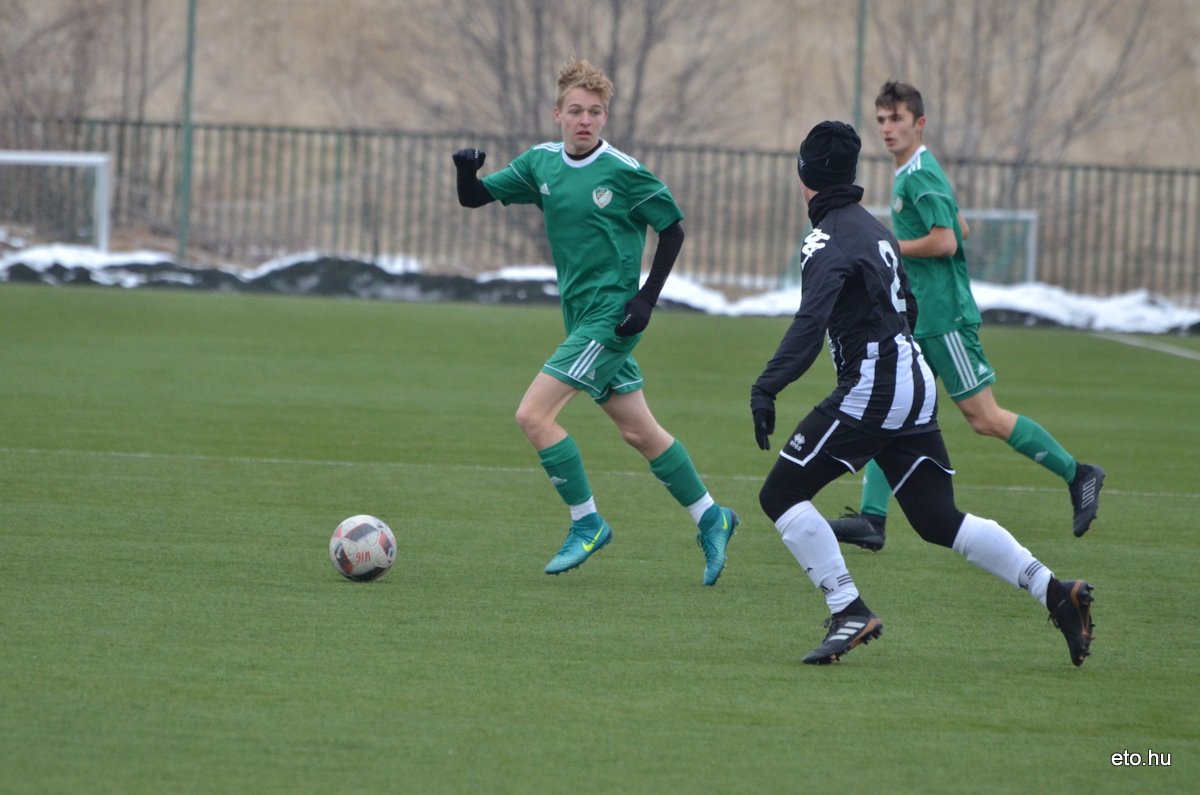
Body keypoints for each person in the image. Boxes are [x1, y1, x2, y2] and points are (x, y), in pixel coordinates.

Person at [750, 120, 1095, 666]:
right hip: (912, 377)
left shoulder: (824, 239)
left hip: (876, 385)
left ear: (804, 175)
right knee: (938, 519)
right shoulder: (876, 229)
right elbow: (908, 304)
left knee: (780, 495)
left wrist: (767, 386)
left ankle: (848, 609)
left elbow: (810, 322)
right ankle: (1054, 591)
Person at [451, 57, 738, 583]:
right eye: (576, 110)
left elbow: (672, 229)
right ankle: (711, 516)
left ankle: (587, 523)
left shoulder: (623, 172)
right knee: (638, 431)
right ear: (557, 114)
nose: (585, 120)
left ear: (605, 117)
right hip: (579, 316)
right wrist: (465, 171)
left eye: (595, 112)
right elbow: (474, 198)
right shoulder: (540, 164)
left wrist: (645, 300)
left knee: (533, 416)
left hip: (611, 318)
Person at [828, 81, 1104, 552]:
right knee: (890, 404)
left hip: (945, 319)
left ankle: (1079, 473)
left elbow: (947, 240)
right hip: (920, 317)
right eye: (881, 120)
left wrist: (888, 247)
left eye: (896, 119)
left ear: (919, 123)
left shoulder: (919, 175)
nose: (887, 128)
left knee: (984, 417)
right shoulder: (912, 172)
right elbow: (962, 226)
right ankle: (873, 520)